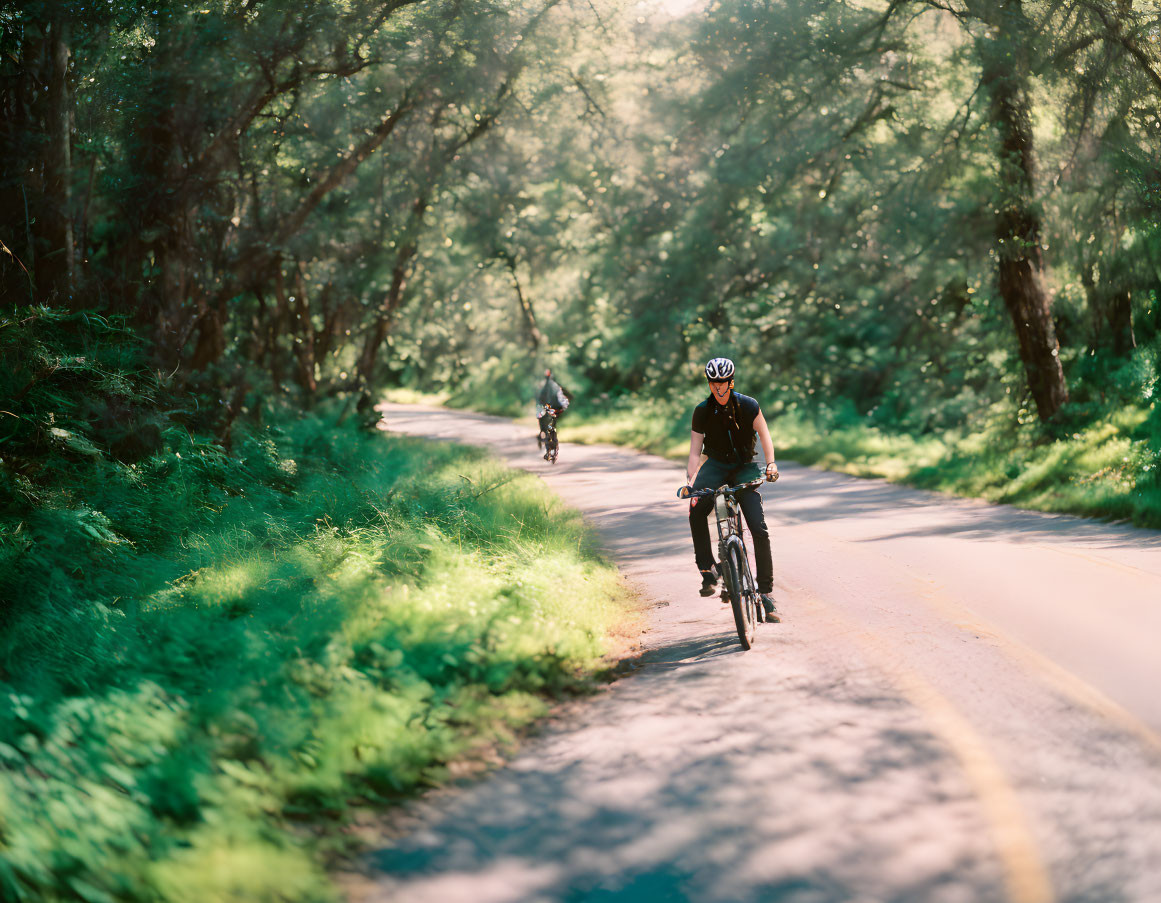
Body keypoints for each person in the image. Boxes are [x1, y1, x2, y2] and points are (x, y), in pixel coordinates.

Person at [683, 357, 780, 621]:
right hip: (714, 465)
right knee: (695, 508)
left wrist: (770, 463)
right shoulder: (702, 410)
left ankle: (766, 592)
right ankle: (707, 570)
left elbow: (764, 435)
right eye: (714, 382)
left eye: (723, 382)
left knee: (758, 528)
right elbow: (694, 451)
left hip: (745, 465)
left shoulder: (749, 405)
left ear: (731, 381)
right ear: (709, 383)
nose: (719, 387)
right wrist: (690, 480)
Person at [536, 368, 569, 458]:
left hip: (545, 411)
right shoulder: (556, 386)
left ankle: (548, 451)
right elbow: (562, 400)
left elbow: (539, 401)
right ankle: (553, 446)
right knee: (552, 428)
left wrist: (539, 415)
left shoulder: (542, 387)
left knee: (545, 430)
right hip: (555, 411)